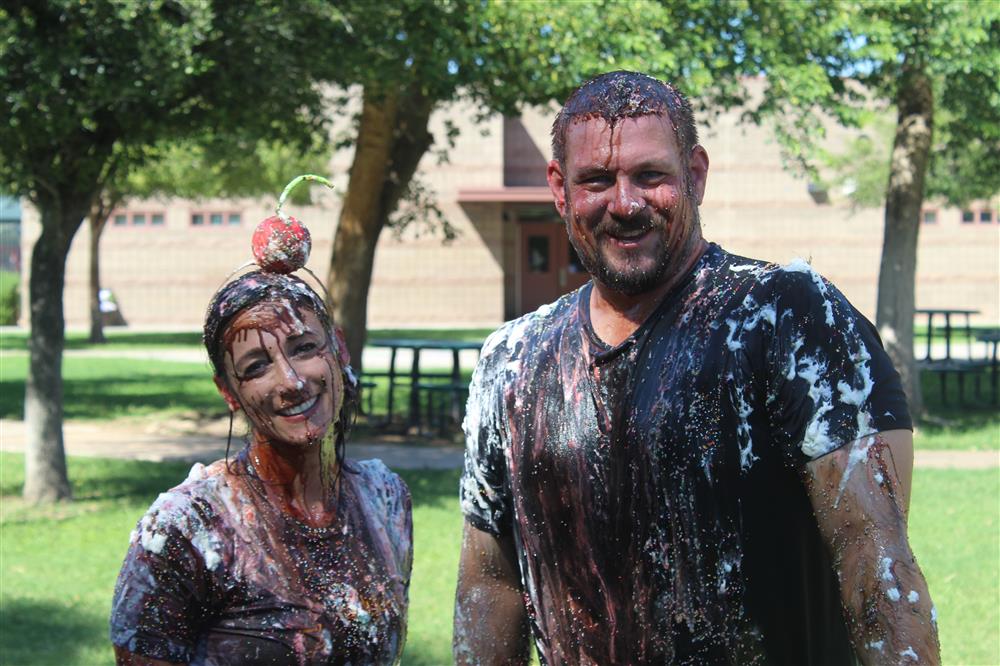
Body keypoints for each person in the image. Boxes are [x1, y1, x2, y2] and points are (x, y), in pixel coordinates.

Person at [454, 71, 939, 665]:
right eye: (597, 180)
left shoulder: (788, 317)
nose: (625, 203)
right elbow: (490, 583)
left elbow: (873, 557)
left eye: (650, 175)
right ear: (560, 188)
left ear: (696, 174)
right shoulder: (511, 360)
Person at [110, 270, 412, 665]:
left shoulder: (384, 497)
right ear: (228, 392)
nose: (292, 381)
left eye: (304, 347)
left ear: (338, 346)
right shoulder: (188, 527)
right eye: (256, 367)